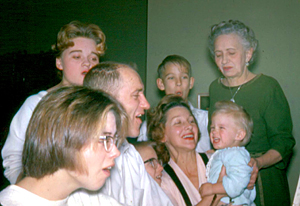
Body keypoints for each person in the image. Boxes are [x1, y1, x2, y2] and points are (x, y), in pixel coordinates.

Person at [1, 20, 106, 184]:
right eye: (77, 56)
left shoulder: (103, 107)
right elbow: (13, 158)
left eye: (93, 58)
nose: (87, 63)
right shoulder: (37, 104)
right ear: (59, 63)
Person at [208, 19, 295, 205]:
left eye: (231, 53)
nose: (224, 60)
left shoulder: (268, 87)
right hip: (225, 183)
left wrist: (259, 163)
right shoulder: (214, 89)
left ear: (248, 54)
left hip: (264, 179)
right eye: (218, 54)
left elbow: (284, 142)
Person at [68, 62, 173, 206]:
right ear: (108, 100)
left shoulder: (130, 155)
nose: (146, 104)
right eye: (136, 95)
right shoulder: (75, 160)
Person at [0, 86, 127, 206]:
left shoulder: (91, 200)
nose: (116, 152)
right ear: (62, 138)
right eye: (105, 139)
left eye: (114, 140)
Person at [148, 94, 223, 206]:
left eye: (192, 121)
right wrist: (218, 192)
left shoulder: (217, 160)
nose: (189, 126)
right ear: (162, 134)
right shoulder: (163, 181)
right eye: (178, 122)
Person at [138, 54, 211, 153]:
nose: (179, 83)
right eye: (171, 78)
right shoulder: (148, 126)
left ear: (191, 83)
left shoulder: (206, 120)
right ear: (161, 84)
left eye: (184, 77)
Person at [200, 100, 256, 206]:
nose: (214, 132)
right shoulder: (224, 152)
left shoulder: (236, 154)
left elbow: (238, 183)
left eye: (221, 128)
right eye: (212, 128)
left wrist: (212, 188)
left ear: (239, 135)